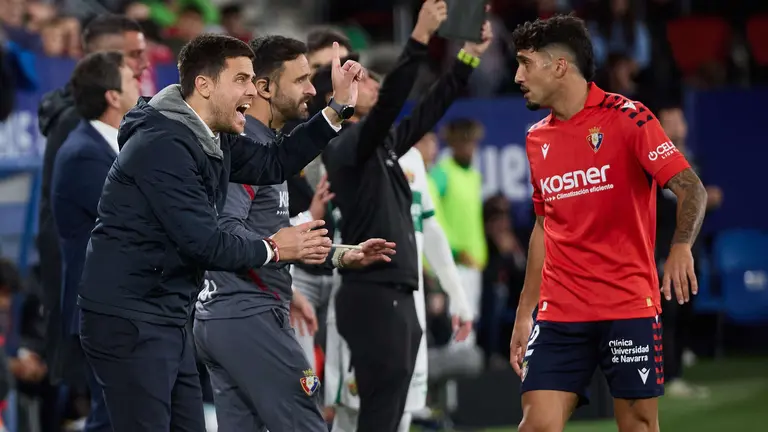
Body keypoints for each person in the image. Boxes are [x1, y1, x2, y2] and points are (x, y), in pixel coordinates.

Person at [76, 33, 362, 432]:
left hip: (170, 313)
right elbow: (204, 241)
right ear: (204, 85)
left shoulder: (213, 136)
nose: (253, 90)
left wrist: (337, 109)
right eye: (242, 80)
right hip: (131, 318)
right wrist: (274, 248)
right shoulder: (163, 146)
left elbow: (275, 162)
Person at [508, 15, 708, 432]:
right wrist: (525, 313)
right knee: (537, 425)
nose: (517, 76)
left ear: (559, 66)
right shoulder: (536, 138)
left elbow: (691, 188)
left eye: (526, 63)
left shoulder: (629, 119)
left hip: (627, 305)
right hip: (561, 312)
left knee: (636, 424)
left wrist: (681, 246)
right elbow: (544, 227)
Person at [192, 35, 394, 432]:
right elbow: (225, 229)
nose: (311, 90)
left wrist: (337, 253)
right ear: (264, 88)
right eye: (300, 80)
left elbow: (270, 232)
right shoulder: (246, 145)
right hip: (249, 313)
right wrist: (278, 250)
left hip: (229, 316)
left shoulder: (266, 145)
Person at [321, 1, 492, 428]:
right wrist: (418, 38)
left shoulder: (383, 146)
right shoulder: (346, 148)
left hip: (398, 296)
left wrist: (468, 55)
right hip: (372, 295)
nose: (369, 84)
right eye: (359, 79)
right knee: (375, 413)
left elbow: (431, 108)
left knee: (391, 412)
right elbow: (393, 101)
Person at [327, 134, 474, 432]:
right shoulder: (347, 150)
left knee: (403, 409)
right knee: (352, 412)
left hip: (410, 304)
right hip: (365, 298)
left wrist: (458, 298)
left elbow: (430, 228)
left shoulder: (413, 160)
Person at [37, 13, 148, 384]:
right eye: (133, 56)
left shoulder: (120, 128)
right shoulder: (78, 132)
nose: (144, 65)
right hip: (96, 297)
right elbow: (63, 219)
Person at [51, 51, 140, 432]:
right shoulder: (83, 154)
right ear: (112, 97)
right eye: (131, 79)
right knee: (112, 419)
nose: (141, 85)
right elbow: (133, 220)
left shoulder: (115, 145)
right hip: (104, 310)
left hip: (127, 307)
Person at [655, 103, 720, 399]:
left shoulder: (692, 160)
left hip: (690, 252)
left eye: (679, 120)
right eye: (669, 120)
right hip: (664, 250)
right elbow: (671, 204)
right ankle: (667, 376)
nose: (676, 125)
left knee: (684, 312)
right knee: (668, 312)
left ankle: (677, 372)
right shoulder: (655, 162)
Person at [430, 118, 488, 345]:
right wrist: (453, 250)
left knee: (468, 329)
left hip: (473, 265)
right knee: (458, 330)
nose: (469, 148)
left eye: (472, 143)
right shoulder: (442, 173)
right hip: (454, 263)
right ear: (452, 144)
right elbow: (431, 214)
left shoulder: (473, 175)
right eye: (464, 143)